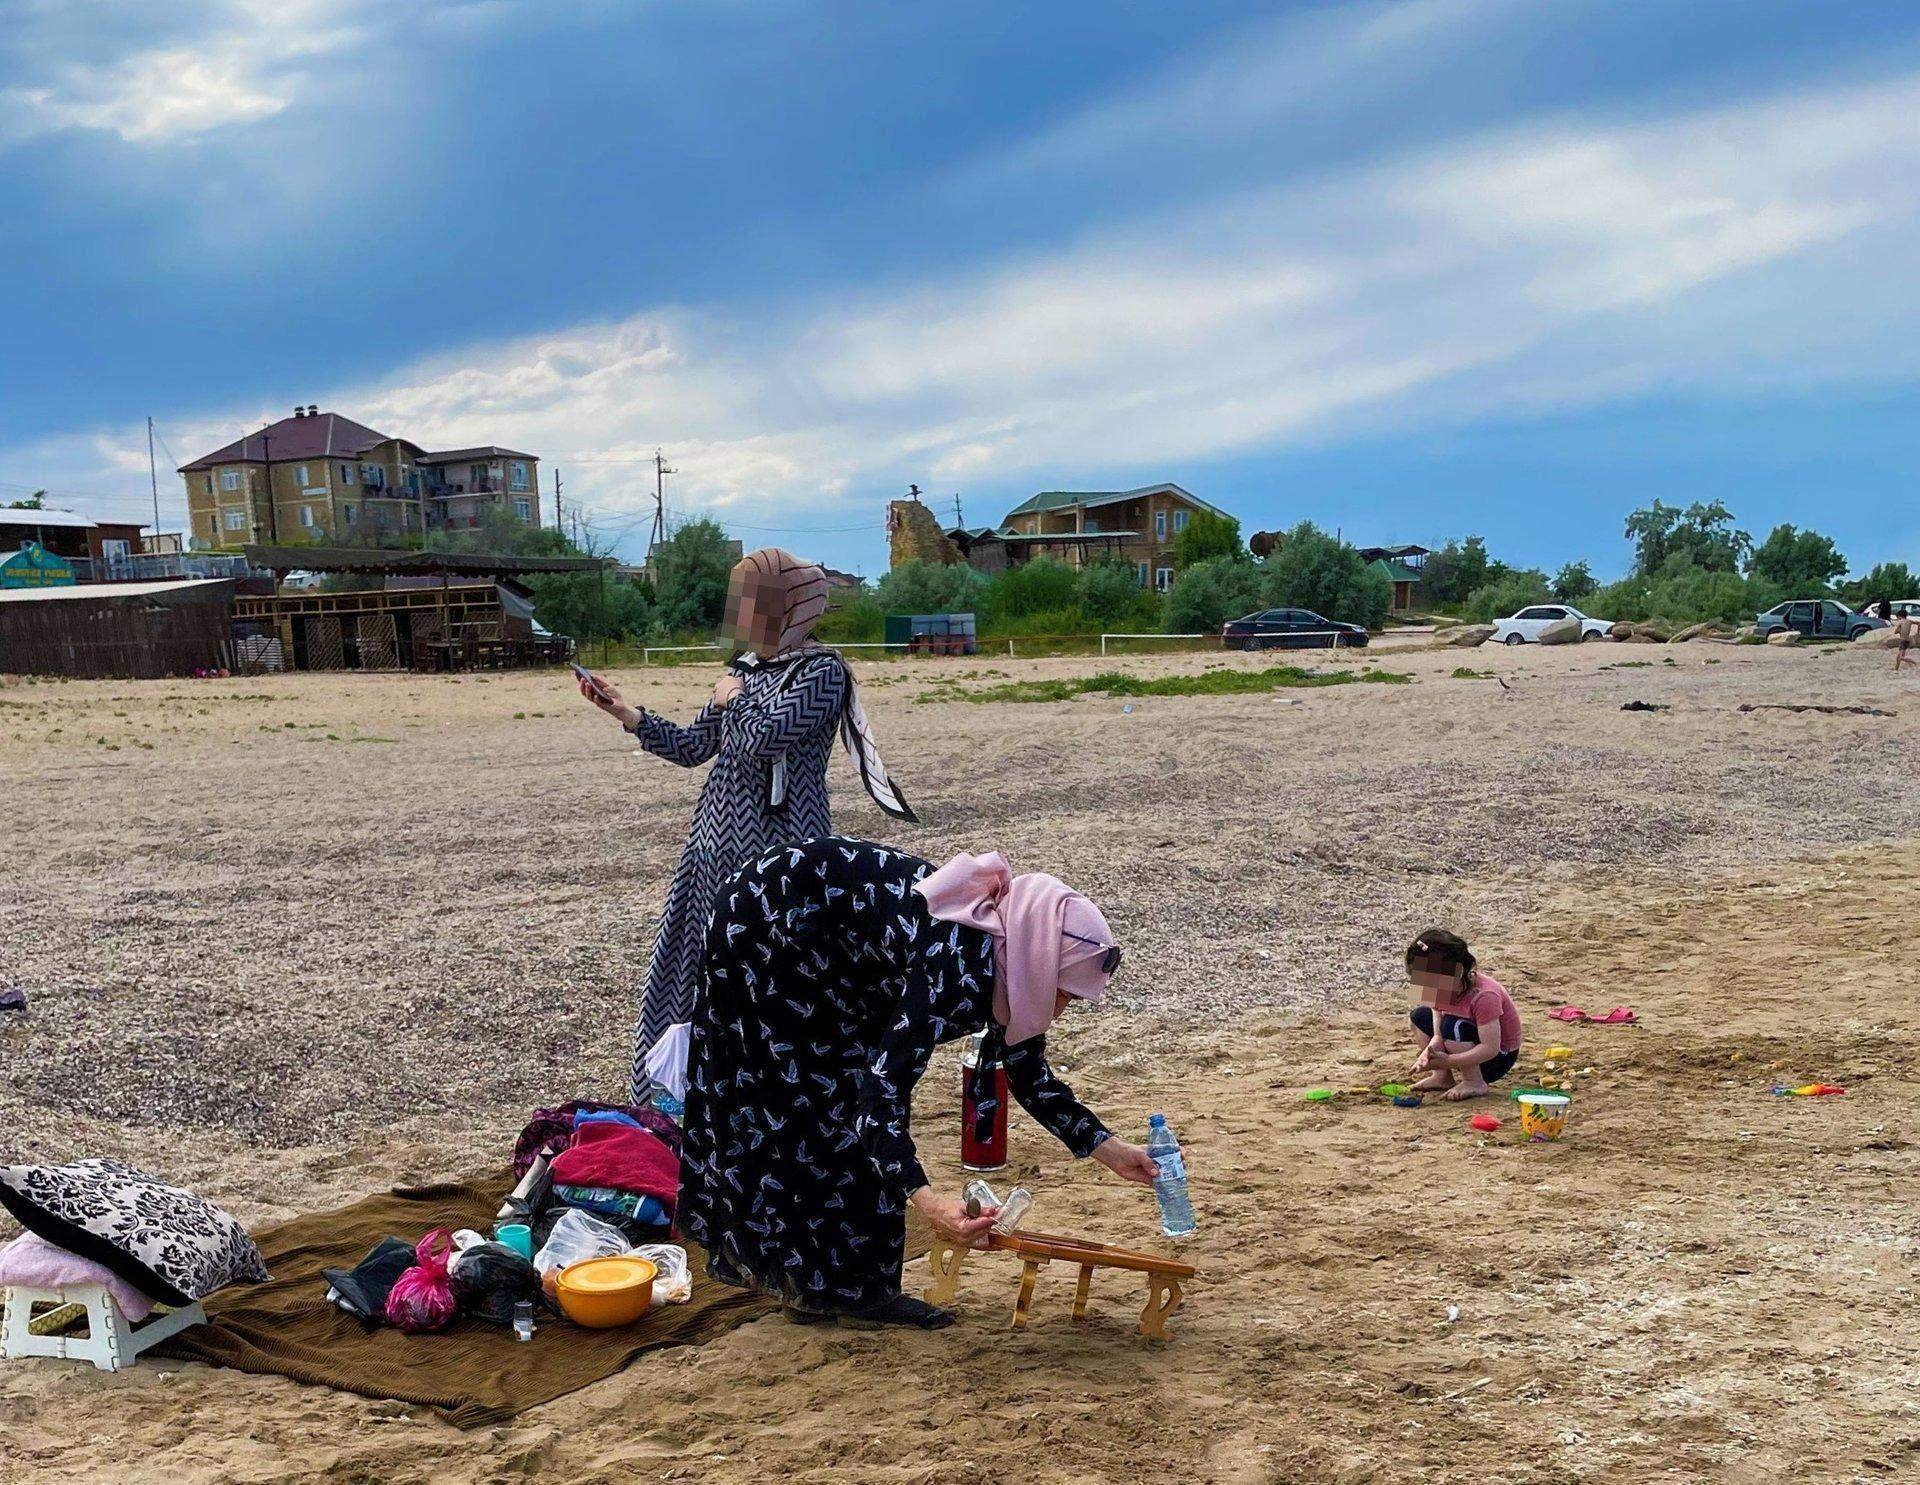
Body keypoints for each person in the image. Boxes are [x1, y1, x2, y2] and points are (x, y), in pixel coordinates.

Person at [676, 837, 1162, 1328]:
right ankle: (822, 1287)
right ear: (1039, 963)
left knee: (841, 1098)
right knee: (805, 1099)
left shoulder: (1011, 952)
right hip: (771, 929)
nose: (1064, 1008)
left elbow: (1027, 1071)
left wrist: (1109, 1149)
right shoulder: (957, 963)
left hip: (835, 953)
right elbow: (881, 1094)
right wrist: (930, 1202)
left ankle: (843, 1288)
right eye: (1066, 992)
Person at [578, 549, 915, 1104]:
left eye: (756, 605)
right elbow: (692, 748)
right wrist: (624, 712)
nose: (745, 620)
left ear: (792, 609)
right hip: (711, 852)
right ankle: (688, 1097)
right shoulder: (743, 673)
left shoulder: (823, 674)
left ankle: (781, 1100)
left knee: (777, 979)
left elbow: (766, 739)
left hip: (781, 859)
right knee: (691, 971)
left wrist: (733, 701)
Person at [1404, 928, 1521, 1101]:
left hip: (1497, 1059)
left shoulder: (1484, 995)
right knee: (1419, 1016)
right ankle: (1442, 1077)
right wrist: (1432, 1048)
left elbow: (1491, 1048)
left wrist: (1450, 1060)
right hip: (1465, 1046)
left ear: (1458, 973)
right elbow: (1437, 1022)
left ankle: (1474, 1081)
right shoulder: (1440, 988)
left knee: (1453, 1025)